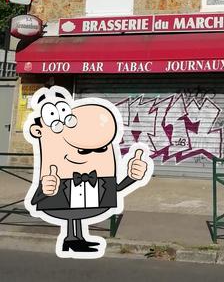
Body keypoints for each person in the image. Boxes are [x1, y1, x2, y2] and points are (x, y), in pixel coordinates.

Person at [24, 86, 152, 258]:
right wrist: (45, 190)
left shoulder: (100, 177)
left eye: (100, 150)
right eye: (83, 150)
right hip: (62, 199)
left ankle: (75, 239)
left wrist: (132, 176)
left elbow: (117, 189)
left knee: (76, 213)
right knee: (70, 212)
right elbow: (35, 199)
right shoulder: (55, 175)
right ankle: (72, 238)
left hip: (89, 197)